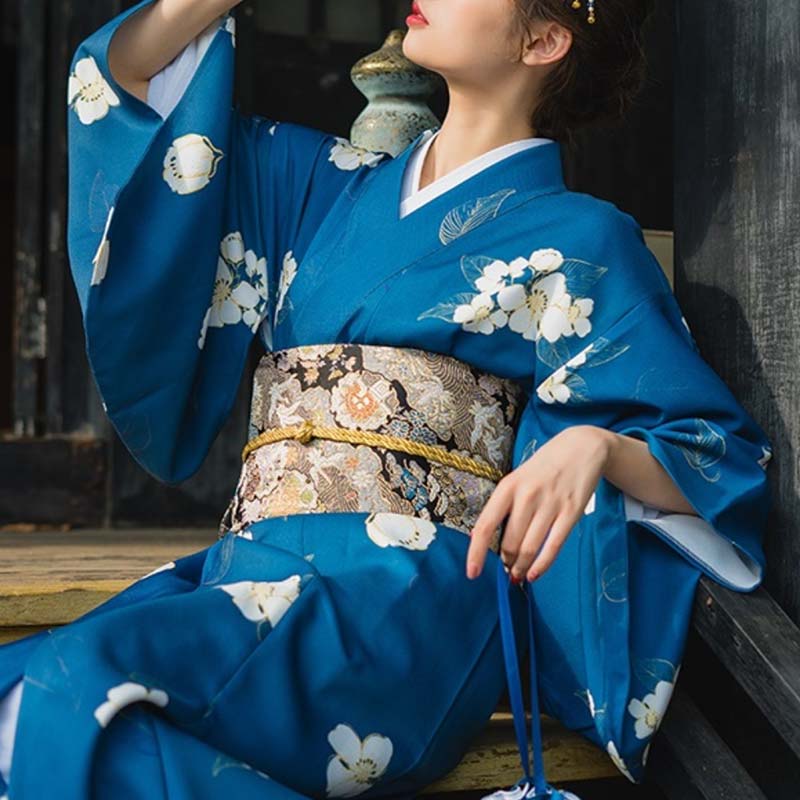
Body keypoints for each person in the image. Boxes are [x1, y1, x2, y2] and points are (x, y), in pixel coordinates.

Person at [0, 0, 773, 797]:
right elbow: (122, 83)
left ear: (543, 40)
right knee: (28, 706)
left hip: (405, 603)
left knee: (74, 684)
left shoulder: (583, 238)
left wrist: (600, 446)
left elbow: (722, 457)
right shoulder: (320, 189)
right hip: (252, 567)